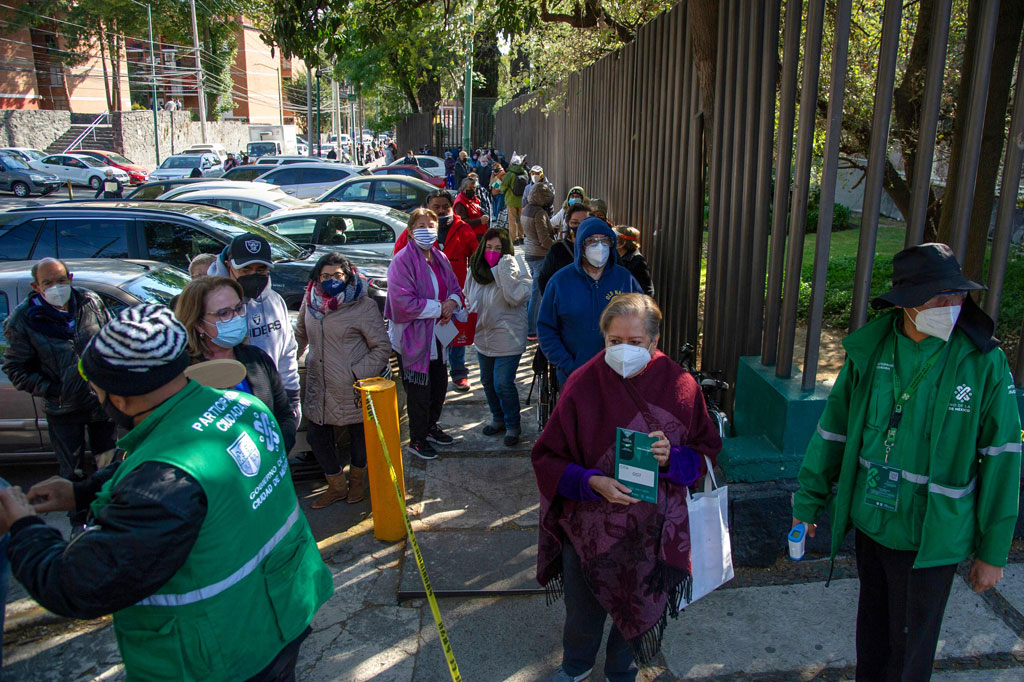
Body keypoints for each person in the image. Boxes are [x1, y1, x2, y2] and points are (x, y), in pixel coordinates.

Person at [0, 304, 332, 682]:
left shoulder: (161, 486)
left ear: (119, 399)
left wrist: (23, 525)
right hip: (282, 612)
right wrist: (82, 492)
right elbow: (186, 466)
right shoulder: (245, 406)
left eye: (93, 386)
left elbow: (77, 585)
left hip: (219, 654)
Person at [791, 243, 1021, 682]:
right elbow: (833, 430)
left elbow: (1002, 458)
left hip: (930, 536)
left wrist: (992, 552)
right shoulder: (872, 349)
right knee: (872, 640)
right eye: (938, 297)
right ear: (907, 304)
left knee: (910, 652)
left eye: (956, 296)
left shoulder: (983, 362)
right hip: (872, 522)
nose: (951, 306)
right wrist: (809, 502)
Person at [532, 293, 723, 682]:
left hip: (653, 530)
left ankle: (623, 667)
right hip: (588, 529)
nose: (623, 350)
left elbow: (705, 454)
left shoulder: (682, 387)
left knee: (638, 604)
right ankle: (576, 666)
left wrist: (672, 459)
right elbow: (546, 458)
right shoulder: (582, 384)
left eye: (634, 343)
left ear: (654, 342)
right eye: (614, 341)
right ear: (603, 339)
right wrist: (590, 482)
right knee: (582, 611)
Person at [1, 258, 115, 490]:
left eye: (61, 280)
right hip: (64, 410)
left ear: (70, 279)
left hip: (102, 403)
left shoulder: (89, 302)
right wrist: (55, 391)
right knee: (73, 474)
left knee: (110, 467)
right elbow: (15, 368)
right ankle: (79, 521)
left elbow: (112, 340)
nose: (57, 287)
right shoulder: (22, 320)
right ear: (37, 287)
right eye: (48, 282)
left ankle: (112, 516)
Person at [296, 253, 391, 508]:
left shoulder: (363, 306)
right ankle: (337, 486)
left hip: (352, 386)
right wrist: (287, 363)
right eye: (325, 276)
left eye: (337, 276)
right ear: (317, 278)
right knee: (317, 436)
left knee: (359, 436)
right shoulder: (310, 302)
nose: (331, 281)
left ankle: (357, 482)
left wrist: (357, 373)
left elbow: (381, 346)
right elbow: (299, 335)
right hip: (320, 383)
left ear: (348, 276)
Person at [173, 276, 297, 455]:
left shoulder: (257, 359)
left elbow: (284, 416)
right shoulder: (182, 375)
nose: (236, 317)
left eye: (239, 308)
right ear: (199, 324)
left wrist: (274, 452)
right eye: (224, 313)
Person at [385, 208, 466, 460]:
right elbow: (401, 302)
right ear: (410, 230)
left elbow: (455, 287)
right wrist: (438, 307)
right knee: (419, 392)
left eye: (431, 225)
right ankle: (417, 439)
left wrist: (452, 302)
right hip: (414, 339)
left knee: (439, 386)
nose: (427, 230)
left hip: (438, 336)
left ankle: (431, 428)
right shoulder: (402, 261)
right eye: (421, 225)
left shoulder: (440, 257)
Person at [538, 217, 643, 385]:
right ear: (581, 245)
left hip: (618, 377)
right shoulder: (559, 282)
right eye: (592, 241)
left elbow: (643, 320)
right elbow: (546, 328)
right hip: (575, 376)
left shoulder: (625, 279)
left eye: (605, 241)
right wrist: (568, 365)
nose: (599, 246)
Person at [208, 234, 302, 422]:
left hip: (271, 400)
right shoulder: (209, 304)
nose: (253, 275)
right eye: (246, 269)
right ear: (228, 266)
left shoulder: (274, 301)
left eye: (261, 269)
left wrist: (291, 396)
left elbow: (287, 353)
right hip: (226, 408)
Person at [392, 190, 478, 392]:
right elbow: (399, 260)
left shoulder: (462, 228)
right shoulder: (411, 234)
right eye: (436, 207)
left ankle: (458, 373)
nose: (440, 210)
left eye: (445, 207)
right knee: (430, 346)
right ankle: (429, 377)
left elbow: (476, 258)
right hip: (423, 304)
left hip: (453, 296)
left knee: (454, 339)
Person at [465, 228, 532, 446]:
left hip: (508, 336)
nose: (493, 252)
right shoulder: (475, 269)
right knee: (487, 381)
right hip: (483, 335)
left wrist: (504, 271)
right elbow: (467, 297)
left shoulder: (516, 267)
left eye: (499, 248)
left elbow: (516, 297)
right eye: (489, 247)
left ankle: (513, 425)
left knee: (502, 382)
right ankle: (498, 418)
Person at [521, 181, 556, 341]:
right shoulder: (539, 212)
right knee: (537, 292)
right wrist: (558, 246)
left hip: (528, 251)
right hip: (540, 254)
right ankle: (531, 329)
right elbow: (544, 240)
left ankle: (528, 324)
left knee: (534, 290)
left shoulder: (526, 209)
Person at [538, 201, 590, 295]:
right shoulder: (557, 250)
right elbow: (544, 280)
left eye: (584, 223)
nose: (579, 227)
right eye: (574, 223)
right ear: (567, 223)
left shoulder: (599, 248)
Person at [613, 226, 654, 298]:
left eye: (614, 238)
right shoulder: (616, 256)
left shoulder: (638, 261)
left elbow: (647, 291)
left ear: (623, 242)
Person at [499, 152, 529, 244]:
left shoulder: (510, 173)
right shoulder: (524, 172)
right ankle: (522, 236)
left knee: (512, 220)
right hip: (521, 200)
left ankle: (514, 238)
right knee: (521, 219)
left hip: (511, 200)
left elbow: (504, 186)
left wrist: (503, 191)